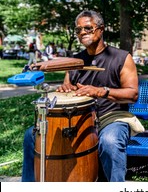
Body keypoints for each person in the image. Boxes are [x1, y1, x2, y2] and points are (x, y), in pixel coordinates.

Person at [22, 10, 140, 182]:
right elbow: (67, 86)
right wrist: (65, 88)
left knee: (110, 141)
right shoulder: (75, 61)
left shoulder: (121, 57)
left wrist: (101, 91)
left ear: (100, 29)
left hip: (112, 118)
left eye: (88, 28)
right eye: (78, 30)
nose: (82, 32)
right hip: (80, 119)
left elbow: (133, 94)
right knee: (31, 136)